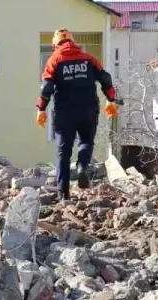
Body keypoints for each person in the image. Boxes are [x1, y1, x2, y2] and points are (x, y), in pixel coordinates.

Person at [35, 29, 119, 199]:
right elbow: (106, 79)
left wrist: (41, 109)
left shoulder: (54, 60)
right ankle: (82, 166)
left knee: (63, 151)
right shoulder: (88, 59)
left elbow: (46, 88)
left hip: (64, 112)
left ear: (55, 45)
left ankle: (63, 193)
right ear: (72, 42)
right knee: (86, 141)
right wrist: (111, 99)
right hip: (88, 110)